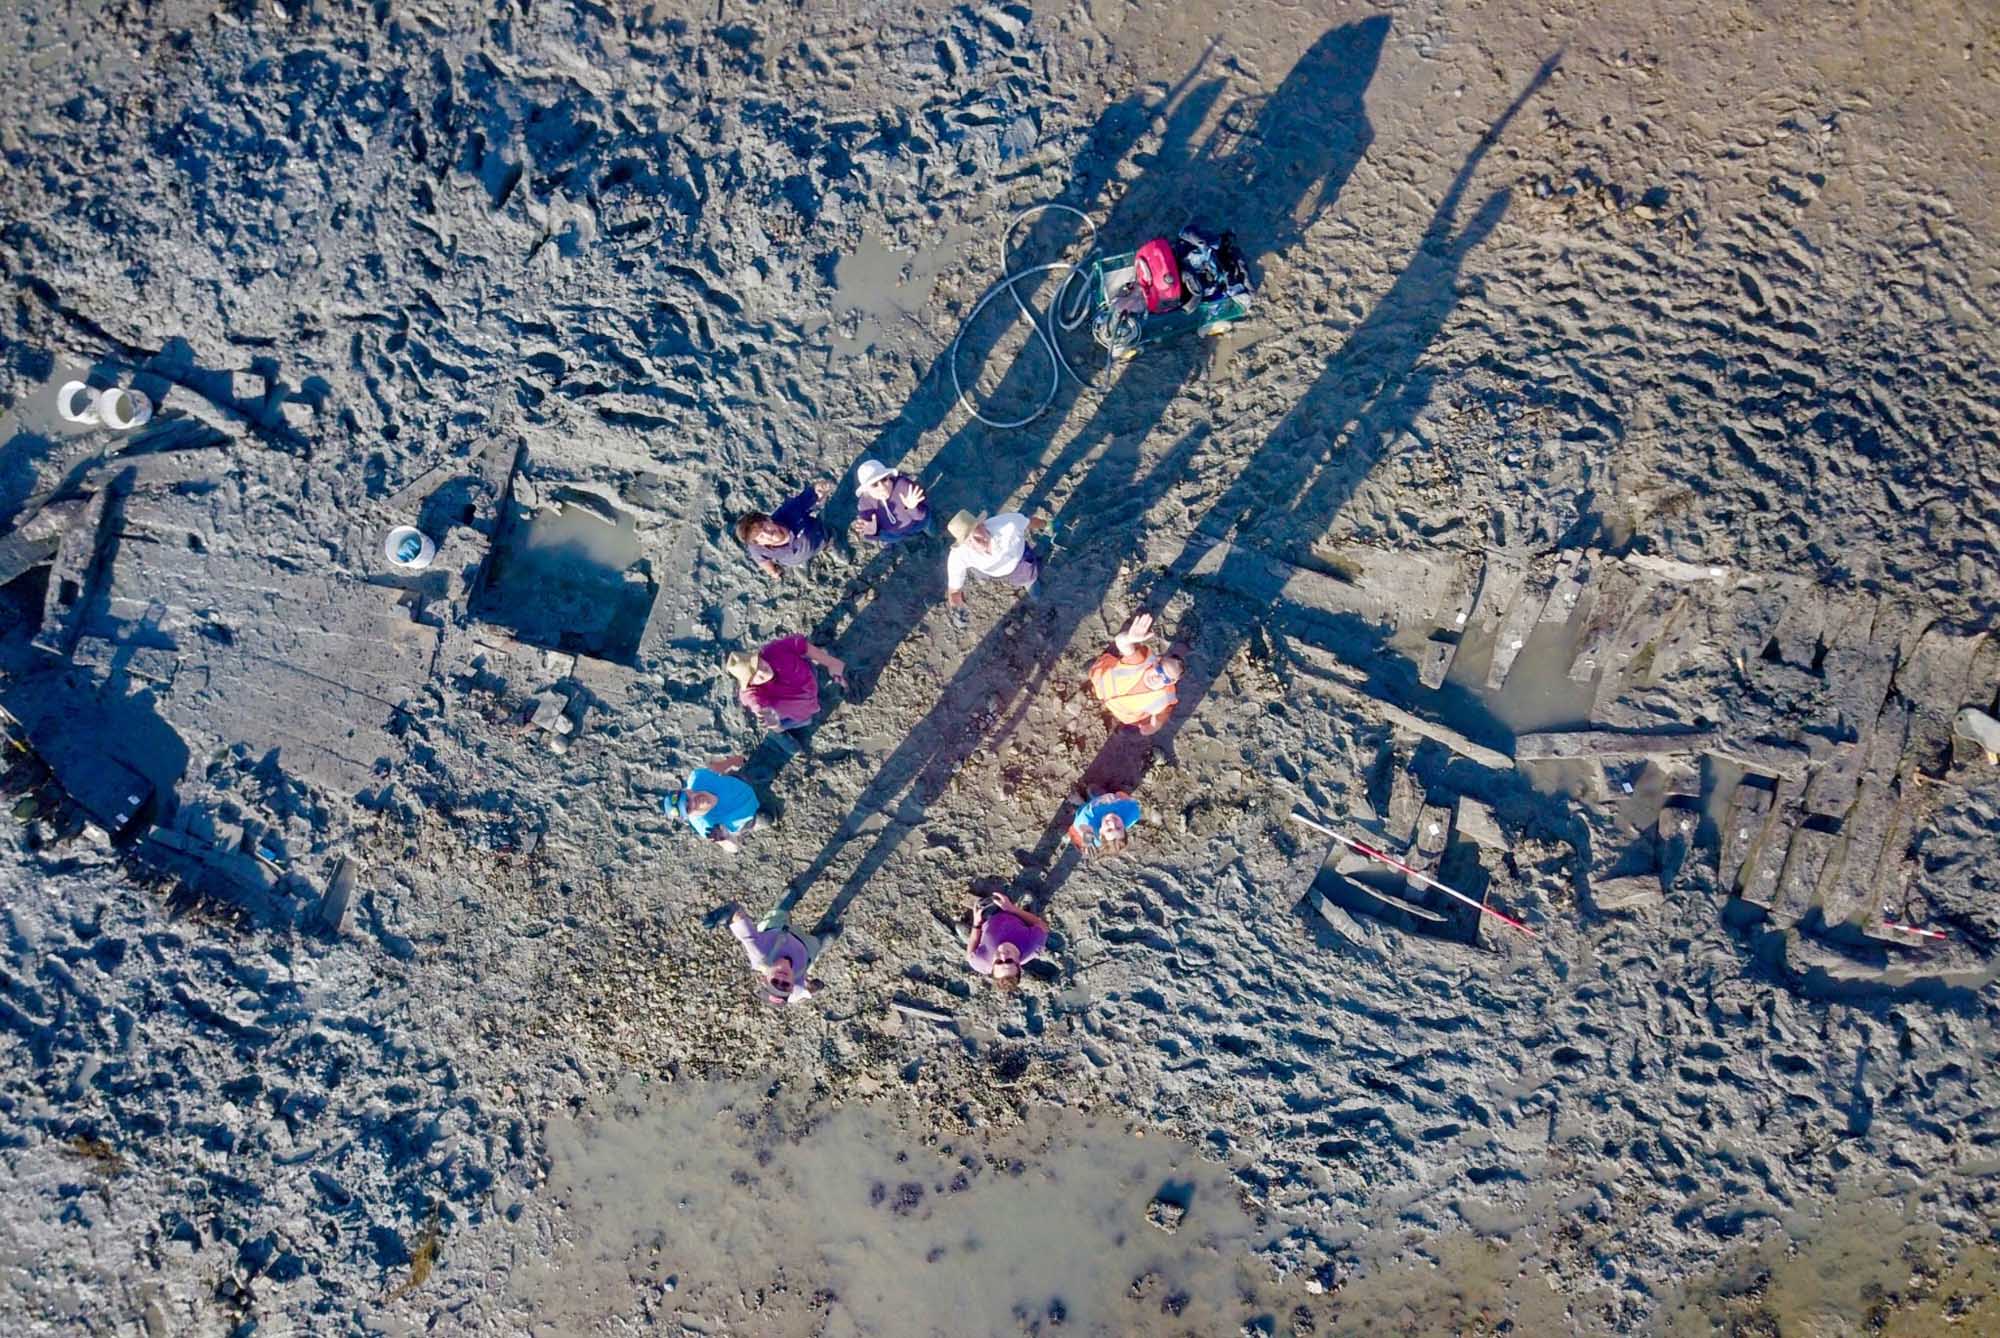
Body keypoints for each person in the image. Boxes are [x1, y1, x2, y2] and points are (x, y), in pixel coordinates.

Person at [1087, 612, 1182, 735]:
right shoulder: (1140, 660)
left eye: (1166, 679)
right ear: (1156, 662)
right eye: (1160, 670)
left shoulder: (1165, 699)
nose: (1158, 677)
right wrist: (1129, 638)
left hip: (1125, 714)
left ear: (1172, 682)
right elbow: (1121, 642)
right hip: (1100, 680)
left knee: (1131, 721)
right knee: (1093, 672)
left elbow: (1163, 714)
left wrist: (1154, 726)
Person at [725, 636, 847, 730]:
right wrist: (766, 714)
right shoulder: (751, 693)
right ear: (750, 683)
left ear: (759, 656)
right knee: (801, 722)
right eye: (754, 674)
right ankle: (781, 731)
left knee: (814, 670)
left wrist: (831, 662)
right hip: (797, 713)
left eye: (758, 663)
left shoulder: (775, 650)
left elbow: (801, 645)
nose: (762, 670)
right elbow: (755, 703)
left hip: (810, 679)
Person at [945, 509, 1046, 608]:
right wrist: (956, 604)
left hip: (1019, 563)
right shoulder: (958, 555)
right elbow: (954, 590)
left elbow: (1028, 522)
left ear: (982, 524)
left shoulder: (1010, 524)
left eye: (975, 534)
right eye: (968, 541)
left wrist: (1045, 524)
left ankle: (1033, 588)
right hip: (990, 571)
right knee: (980, 572)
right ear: (963, 544)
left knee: (1028, 579)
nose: (977, 543)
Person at [729, 906, 822, 1006]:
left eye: (775, 981)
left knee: (786, 900)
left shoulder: (760, 954)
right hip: (808, 948)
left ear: (764, 979)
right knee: (824, 937)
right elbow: (805, 994)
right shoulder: (797, 989)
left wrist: (731, 912)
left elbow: (740, 922)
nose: (781, 978)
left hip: (778, 926)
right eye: (785, 984)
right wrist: (814, 988)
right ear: (792, 987)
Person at [735, 480, 832, 576]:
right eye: (761, 537)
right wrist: (773, 572)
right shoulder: (757, 548)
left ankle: (831, 545)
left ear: (768, 519)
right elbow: (762, 561)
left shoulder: (790, 511)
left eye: (763, 527)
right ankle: (802, 563)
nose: (767, 534)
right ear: (759, 543)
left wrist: (819, 488)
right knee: (797, 561)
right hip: (793, 560)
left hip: (822, 537)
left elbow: (811, 495)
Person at [666, 755, 758, 853]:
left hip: (743, 781)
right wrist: (724, 839)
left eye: (687, 798)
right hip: (752, 815)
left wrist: (734, 761)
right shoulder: (708, 826)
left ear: (686, 790)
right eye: (688, 808)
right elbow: (734, 848)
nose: (693, 802)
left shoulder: (698, 777)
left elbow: (718, 767)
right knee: (765, 819)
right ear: (689, 816)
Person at [963, 889, 1048, 992]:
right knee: (1028, 905)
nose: (1003, 955)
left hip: (990, 920)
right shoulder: (1035, 944)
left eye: (998, 962)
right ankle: (1023, 908)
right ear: (1019, 964)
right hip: (1018, 918)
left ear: (992, 966)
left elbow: (969, 954)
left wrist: (976, 924)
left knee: (981, 905)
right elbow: (1041, 925)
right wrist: (1012, 909)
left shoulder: (980, 961)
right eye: (1009, 961)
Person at [850, 459, 931, 544]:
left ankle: (927, 528)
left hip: (915, 523)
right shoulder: (865, 503)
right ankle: (904, 538)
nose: (882, 487)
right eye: (874, 484)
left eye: (884, 479)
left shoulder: (904, 485)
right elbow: (869, 531)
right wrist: (875, 532)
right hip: (892, 533)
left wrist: (911, 508)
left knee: (924, 523)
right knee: (893, 538)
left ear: (889, 477)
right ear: (866, 490)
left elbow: (921, 516)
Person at [1069, 790, 1141, 857]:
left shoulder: (1088, 819)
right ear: (1124, 829)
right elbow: (1121, 794)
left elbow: (1082, 825)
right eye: (1118, 828)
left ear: (1101, 832)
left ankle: (1079, 802)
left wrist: (1087, 838)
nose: (1113, 823)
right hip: (1105, 801)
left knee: (1075, 833)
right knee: (1094, 790)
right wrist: (1116, 797)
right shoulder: (1131, 812)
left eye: (1109, 829)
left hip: (1090, 809)